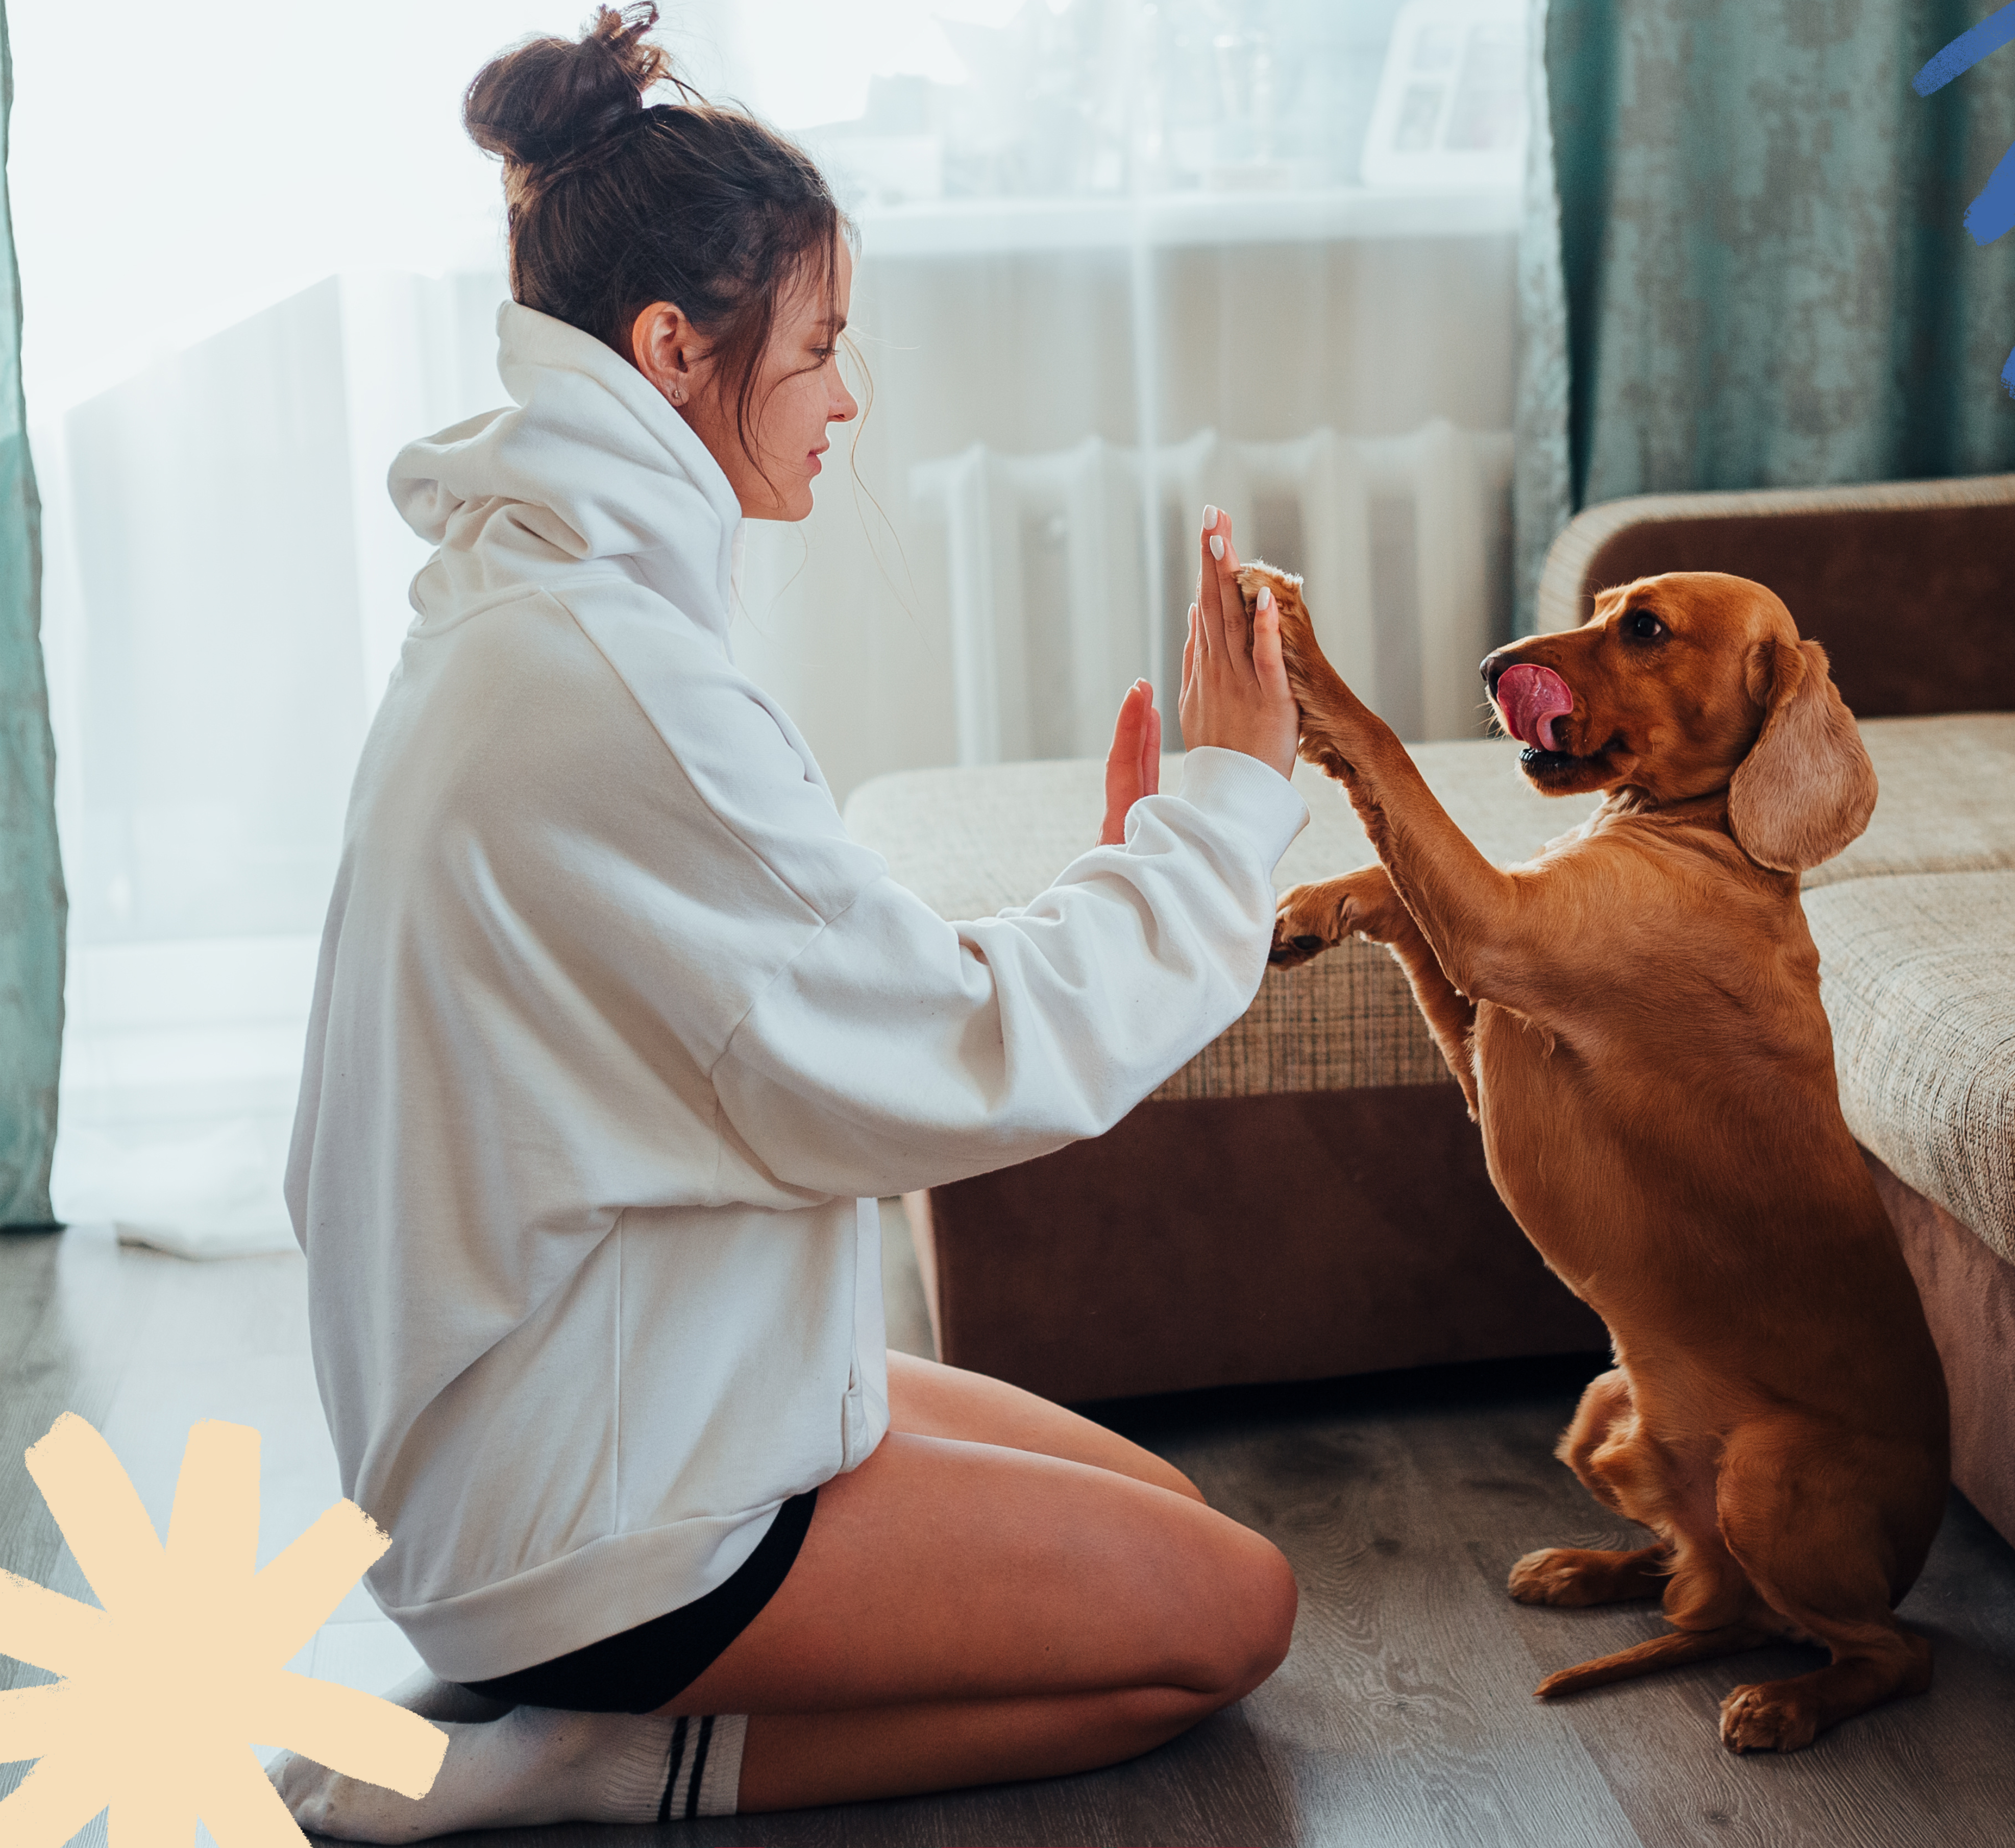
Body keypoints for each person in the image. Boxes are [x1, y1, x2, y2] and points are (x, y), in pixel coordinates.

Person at [267, 7, 1304, 1835]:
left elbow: (822, 1000)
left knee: (1174, 1525)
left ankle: (595, 1695)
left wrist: (1130, 866)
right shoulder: (607, 680)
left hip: (592, 1387)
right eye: (824, 346)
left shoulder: (549, 608)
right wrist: (1221, 816)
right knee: (1228, 1616)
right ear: (672, 350)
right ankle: (602, 1750)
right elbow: (957, 1058)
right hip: (582, 1516)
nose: (854, 396)